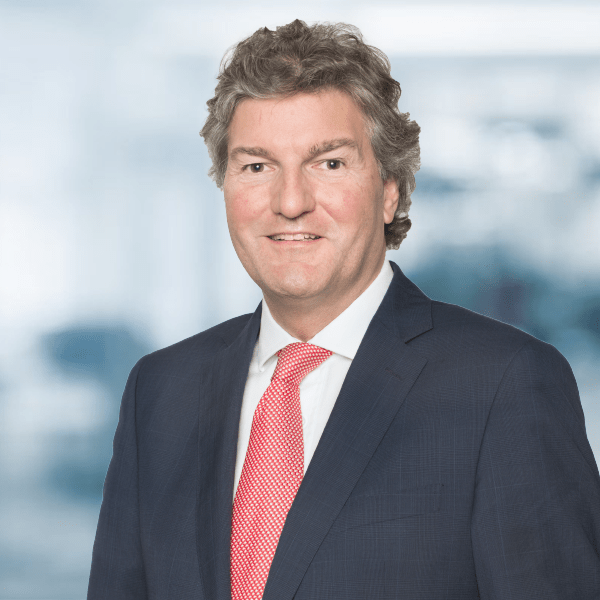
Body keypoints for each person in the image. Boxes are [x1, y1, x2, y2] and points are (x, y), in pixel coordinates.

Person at [87, 20, 600, 600]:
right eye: (257, 166)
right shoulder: (159, 392)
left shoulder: (505, 386)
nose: (290, 202)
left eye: (328, 163)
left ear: (390, 191)